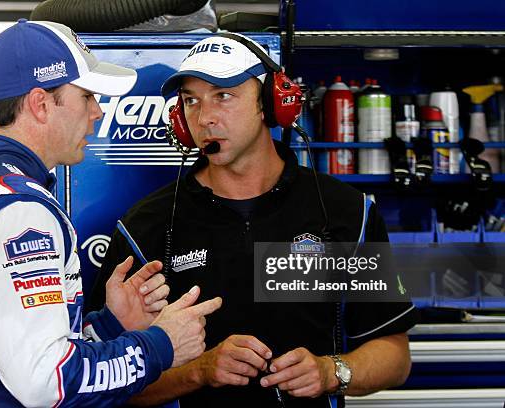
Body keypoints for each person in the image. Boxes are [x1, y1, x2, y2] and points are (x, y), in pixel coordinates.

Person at [87, 33, 418, 407]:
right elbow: (104, 379)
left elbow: (395, 355)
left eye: (223, 95)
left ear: (270, 103)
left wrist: (331, 372)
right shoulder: (145, 226)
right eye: (191, 101)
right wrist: (200, 371)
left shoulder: (347, 212)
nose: (205, 117)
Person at [0, 20, 221, 408]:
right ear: (41, 104)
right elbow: (47, 382)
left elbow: (5, 355)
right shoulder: (18, 210)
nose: (96, 111)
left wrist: (111, 324)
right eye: (86, 96)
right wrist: (161, 344)